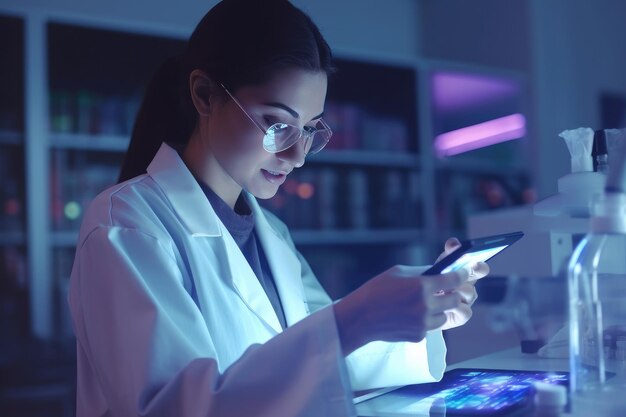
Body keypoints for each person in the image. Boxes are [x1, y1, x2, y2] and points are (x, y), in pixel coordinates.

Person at [67, 0, 488, 416]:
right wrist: (353, 318)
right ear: (205, 95)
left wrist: (418, 307)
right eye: (277, 124)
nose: (297, 155)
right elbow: (173, 409)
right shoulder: (126, 224)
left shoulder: (273, 236)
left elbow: (330, 365)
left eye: (308, 129)